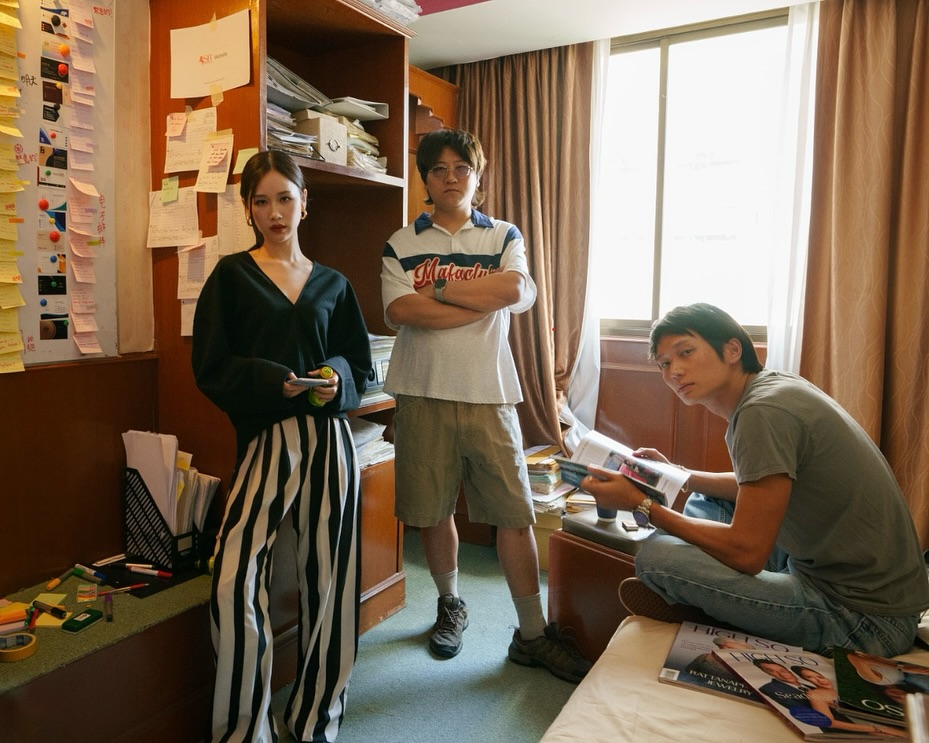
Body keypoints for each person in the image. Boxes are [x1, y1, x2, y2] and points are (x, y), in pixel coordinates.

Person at [582, 302, 929, 657]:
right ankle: (718, 593)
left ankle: (707, 603)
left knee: (656, 557)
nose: (675, 372)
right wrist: (678, 474)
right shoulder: (772, 388)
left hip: (863, 619)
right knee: (707, 499)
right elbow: (756, 484)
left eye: (686, 352)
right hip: (839, 575)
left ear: (733, 350)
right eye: (664, 364)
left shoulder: (762, 413)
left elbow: (748, 554)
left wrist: (642, 505)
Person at [379, 128, 590, 683]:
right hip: (422, 391)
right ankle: (450, 604)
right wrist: (478, 299)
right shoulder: (400, 242)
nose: (451, 178)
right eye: (439, 169)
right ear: (425, 180)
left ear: (477, 176)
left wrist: (439, 290)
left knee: (514, 514)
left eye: (461, 168)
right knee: (433, 511)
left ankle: (532, 634)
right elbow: (401, 311)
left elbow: (515, 291)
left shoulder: (503, 234)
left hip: (490, 392)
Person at [192, 150, 372, 742]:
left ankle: (316, 721)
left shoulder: (334, 283)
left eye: (285, 198)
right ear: (248, 209)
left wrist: (335, 380)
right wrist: (274, 382)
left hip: (330, 440)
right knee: (234, 579)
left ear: (304, 203)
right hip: (267, 440)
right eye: (262, 201)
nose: (275, 212)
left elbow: (360, 366)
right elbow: (211, 367)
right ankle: (247, 731)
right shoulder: (230, 277)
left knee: (333, 582)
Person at [791, 665, 907, 737]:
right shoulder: (816, 694)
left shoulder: (843, 686)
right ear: (806, 680)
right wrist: (878, 729)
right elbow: (827, 722)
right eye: (809, 678)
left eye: (819, 676)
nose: (818, 680)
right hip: (872, 727)